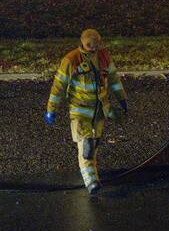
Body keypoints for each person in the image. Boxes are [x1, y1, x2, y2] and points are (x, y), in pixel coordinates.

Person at [44, 28, 128, 194]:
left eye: (96, 44)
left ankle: (93, 176)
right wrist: (51, 109)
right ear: (82, 42)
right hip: (80, 110)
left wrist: (122, 98)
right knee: (87, 146)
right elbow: (58, 87)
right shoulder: (71, 60)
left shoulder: (103, 57)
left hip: (99, 110)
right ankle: (90, 181)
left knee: (94, 144)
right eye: (89, 44)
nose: (92, 47)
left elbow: (114, 79)